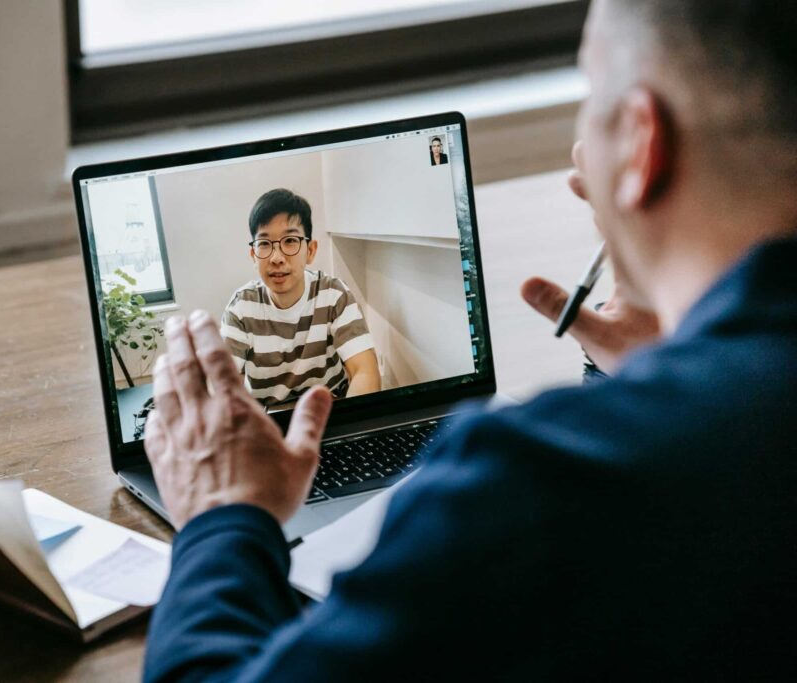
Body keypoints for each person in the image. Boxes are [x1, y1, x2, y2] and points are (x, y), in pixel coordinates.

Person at [143, 0, 797, 679]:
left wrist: (222, 516)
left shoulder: (526, 482)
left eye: (588, 90)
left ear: (638, 142)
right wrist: (665, 376)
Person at [221, 188, 381, 408]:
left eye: (290, 241)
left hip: (331, 415)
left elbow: (365, 371)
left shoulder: (334, 295)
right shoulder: (241, 308)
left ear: (311, 250)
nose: (277, 258)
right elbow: (224, 387)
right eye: (265, 244)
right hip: (270, 425)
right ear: (253, 255)